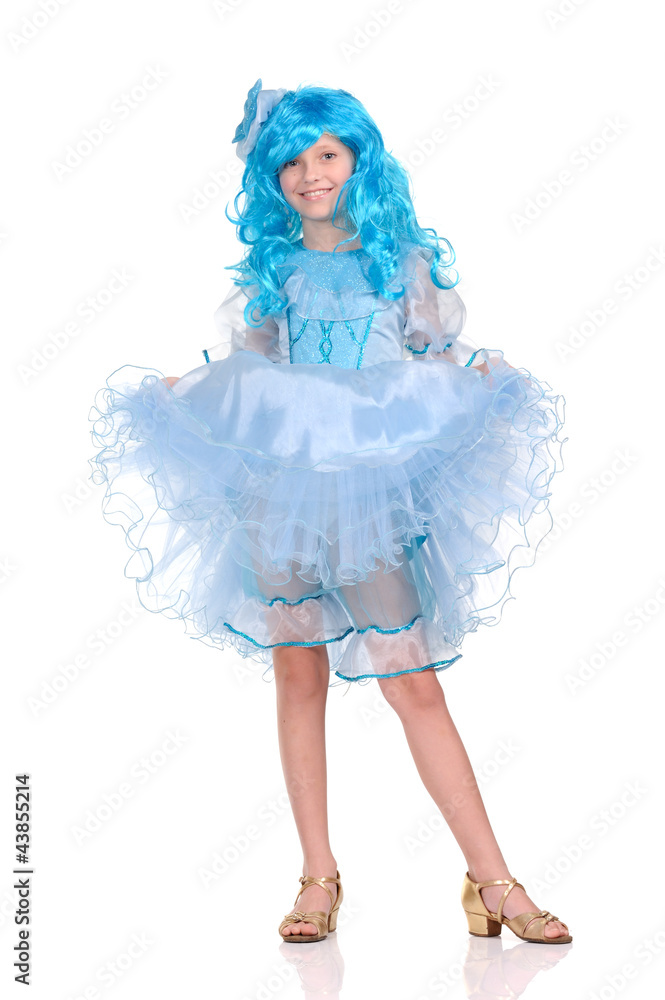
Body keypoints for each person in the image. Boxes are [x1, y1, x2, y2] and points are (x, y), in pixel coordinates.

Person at [89, 80, 571, 946]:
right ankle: (318, 876)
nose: (310, 174)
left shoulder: (398, 262)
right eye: (291, 161)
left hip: (367, 490)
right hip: (280, 494)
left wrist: (478, 377)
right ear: (269, 177)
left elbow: (433, 351)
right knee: (297, 673)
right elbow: (252, 372)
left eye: (327, 155)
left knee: (411, 679)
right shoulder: (272, 272)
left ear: (358, 162)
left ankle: (492, 879)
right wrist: (187, 391)